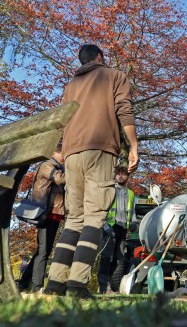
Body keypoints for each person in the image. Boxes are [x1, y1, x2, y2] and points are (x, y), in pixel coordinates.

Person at [45, 44, 138, 299]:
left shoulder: (70, 87)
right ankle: (77, 284)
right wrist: (133, 146)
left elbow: (62, 121)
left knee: (74, 218)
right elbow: (124, 109)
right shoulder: (114, 76)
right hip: (100, 150)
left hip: (72, 154)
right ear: (100, 57)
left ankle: (55, 282)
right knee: (94, 217)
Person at [17, 144, 67, 293]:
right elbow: (59, 180)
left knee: (43, 250)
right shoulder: (47, 165)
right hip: (46, 213)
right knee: (43, 251)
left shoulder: (58, 167)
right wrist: (75, 170)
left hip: (54, 213)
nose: (65, 157)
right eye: (63, 154)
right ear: (55, 153)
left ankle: (23, 284)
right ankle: (37, 287)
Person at [97, 166, 136, 294]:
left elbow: (132, 211)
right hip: (110, 227)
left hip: (123, 229)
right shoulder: (110, 190)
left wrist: (134, 222)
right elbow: (102, 208)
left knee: (118, 259)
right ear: (115, 176)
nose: (120, 176)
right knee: (106, 257)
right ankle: (104, 287)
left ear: (127, 177)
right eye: (118, 174)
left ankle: (113, 287)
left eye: (123, 174)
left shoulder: (130, 194)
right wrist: (105, 226)